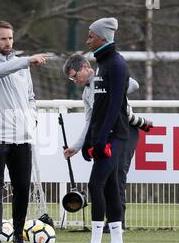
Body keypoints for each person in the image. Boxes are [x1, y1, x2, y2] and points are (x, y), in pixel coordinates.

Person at [0, 20, 49, 243]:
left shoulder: (21, 65)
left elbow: (30, 95)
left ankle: (18, 236)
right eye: (3, 38)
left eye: (10, 38)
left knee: (22, 187)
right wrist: (25, 60)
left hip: (21, 137)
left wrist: (33, 117)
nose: (8, 42)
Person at [62, 54, 153, 232]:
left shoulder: (104, 76)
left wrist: (112, 90)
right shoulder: (86, 93)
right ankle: (112, 222)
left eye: (74, 76)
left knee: (118, 175)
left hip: (124, 129)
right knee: (106, 178)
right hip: (105, 134)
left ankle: (118, 223)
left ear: (85, 67)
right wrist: (76, 147)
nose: (74, 81)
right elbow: (89, 122)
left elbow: (133, 84)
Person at [69, 17, 129, 243]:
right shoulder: (104, 65)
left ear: (104, 37)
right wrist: (90, 141)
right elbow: (98, 110)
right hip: (106, 137)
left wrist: (103, 138)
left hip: (117, 137)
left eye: (91, 36)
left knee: (96, 185)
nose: (87, 40)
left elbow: (115, 107)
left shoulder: (116, 64)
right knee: (112, 188)